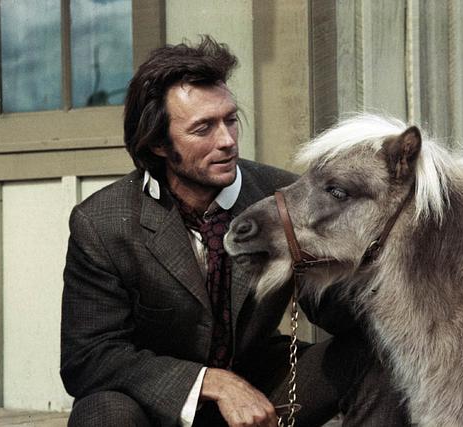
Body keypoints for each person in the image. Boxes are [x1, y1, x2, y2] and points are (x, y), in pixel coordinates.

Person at [60, 36, 407, 427]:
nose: (226, 141)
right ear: (158, 143)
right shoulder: (102, 222)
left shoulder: (283, 197)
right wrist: (209, 382)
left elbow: (339, 312)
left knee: (377, 358)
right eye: (203, 128)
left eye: (230, 120)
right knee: (102, 412)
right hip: (157, 406)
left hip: (264, 386)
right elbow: (88, 358)